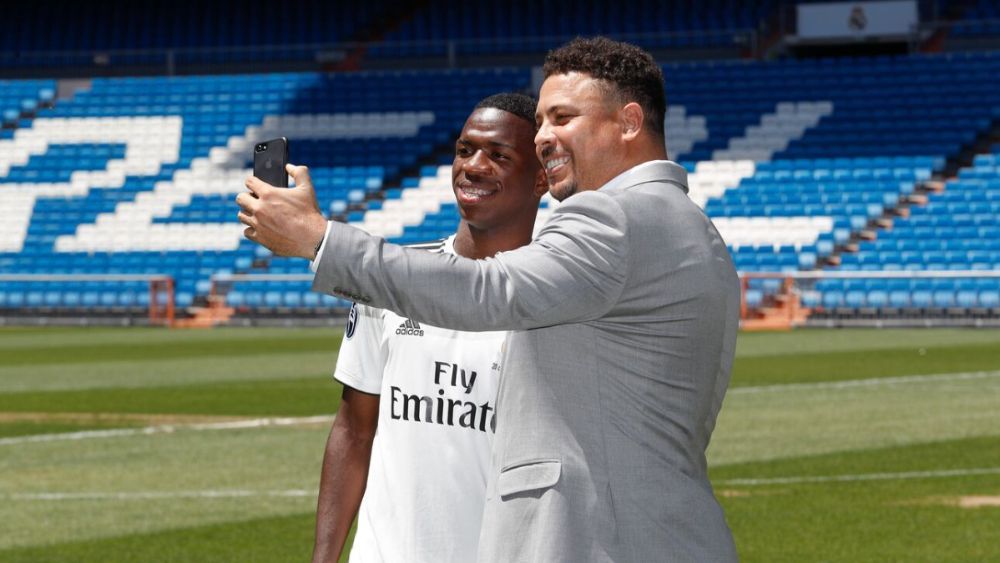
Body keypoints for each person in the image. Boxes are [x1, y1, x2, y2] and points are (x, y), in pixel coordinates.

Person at [239, 37, 740, 562]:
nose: (544, 137)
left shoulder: (614, 216)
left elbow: (487, 289)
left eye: (563, 118)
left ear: (629, 122)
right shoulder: (694, 231)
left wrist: (318, 239)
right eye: (541, 121)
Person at [311, 93, 548, 563]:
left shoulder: (554, 297)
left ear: (541, 177)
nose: (473, 167)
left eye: (498, 155)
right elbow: (354, 431)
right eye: (464, 150)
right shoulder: (392, 280)